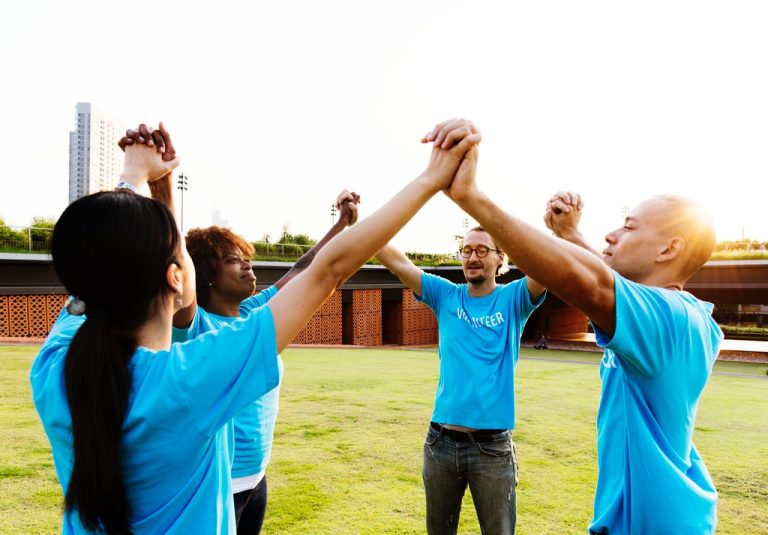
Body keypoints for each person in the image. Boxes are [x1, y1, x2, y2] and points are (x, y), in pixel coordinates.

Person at [31, 118, 481, 533]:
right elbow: (327, 270)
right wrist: (430, 180)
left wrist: (135, 176)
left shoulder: (53, 367)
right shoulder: (189, 381)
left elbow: (100, 264)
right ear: (176, 278)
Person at [434, 117, 723, 534]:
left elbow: (589, 282)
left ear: (669, 248)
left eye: (628, 226)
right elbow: (609, 281)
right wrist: (570, 234)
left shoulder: (668, 319)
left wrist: (471, 197)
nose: (610, 234)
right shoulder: (683, 317)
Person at [173, 190, 359, 534]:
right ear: (206, 273)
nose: (247, 264)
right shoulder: (193, 325)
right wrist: (160, 187)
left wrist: (342, 224)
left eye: (246, 257)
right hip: (218, 484)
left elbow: (305, 268)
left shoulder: (254, 313)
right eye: (232, 259)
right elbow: (179, 268)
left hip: (256, 478)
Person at [375, 221, 545, 531]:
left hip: (492, 449)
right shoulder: (446, 295)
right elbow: (399, 264)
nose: (472, 257)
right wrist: (360, 225)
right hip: (440, 443)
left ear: (500, 258)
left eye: (482, 250)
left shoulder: (513, 299)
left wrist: (560, 229)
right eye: (466, 250)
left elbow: (546, 266)